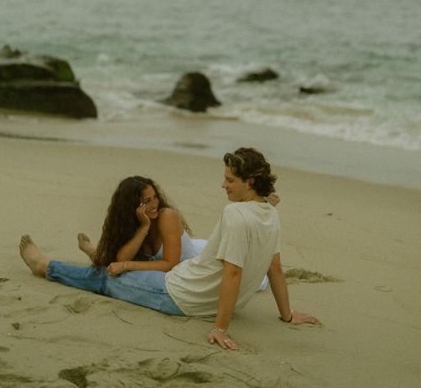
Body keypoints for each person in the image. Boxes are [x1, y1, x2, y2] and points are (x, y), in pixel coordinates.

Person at [19, 147, 319, 349]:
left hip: (181, 295)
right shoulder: (270, 213)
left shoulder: (235, 214)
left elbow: (233, 274)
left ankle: (45, 266)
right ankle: (87, 256)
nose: (223, 186)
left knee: (106, 279)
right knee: (117, 268)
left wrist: (221, 329)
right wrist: (287, 314)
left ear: (249, 181)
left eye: (229, 180)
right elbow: (275, 267)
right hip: (198, 286)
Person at [76, 174, 278, 288]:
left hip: (201, 257)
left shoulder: (167, 216)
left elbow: (169, 264)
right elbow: (120, 258)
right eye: (146, 201)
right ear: (131, 206)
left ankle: (263, 206)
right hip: (180, 260)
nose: (154, 204)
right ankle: (92, 250)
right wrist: (144, 228)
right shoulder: (136, 224)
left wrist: (126, 265)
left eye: (155, 197)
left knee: (258, 280)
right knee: (106, 263)